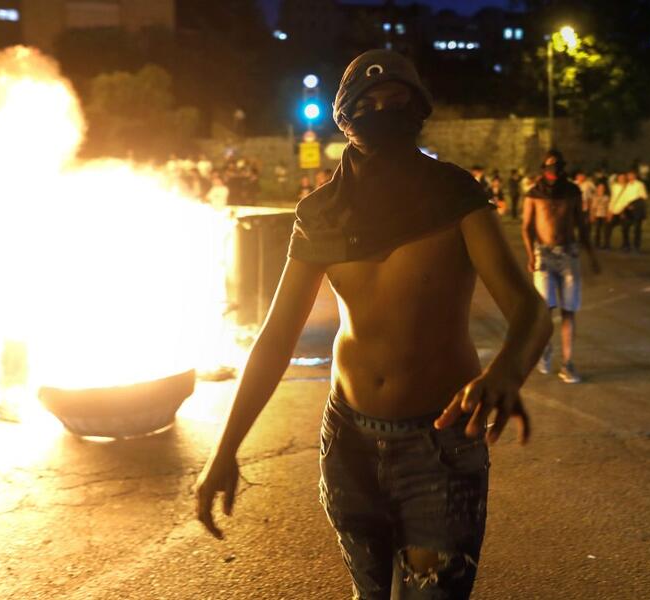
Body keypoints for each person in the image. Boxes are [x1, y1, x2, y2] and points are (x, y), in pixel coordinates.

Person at [194, 49, 552, 599]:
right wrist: (225, 451)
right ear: (344, 119)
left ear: (420, 110)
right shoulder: (320, 213)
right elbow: (274, 339)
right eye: (369, 104)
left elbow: (529, 311)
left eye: (398, 101)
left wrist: (506, 372)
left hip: (438, 445)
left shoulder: (455, 196)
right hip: (348, 443)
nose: (384, 112)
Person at [522, 149, 600, 384]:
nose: (553, 172)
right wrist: (530, 255)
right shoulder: (534, 194)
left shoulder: (572, 192)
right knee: (545, 309)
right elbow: (526, 227)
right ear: (543, 169)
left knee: (569, 309)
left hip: (568, 254)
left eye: (557, 168)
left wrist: (591, 255)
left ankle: (567, 362)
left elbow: (582, 225)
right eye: (548, 168)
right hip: (543, 255)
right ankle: (545, 348)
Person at [590, 181, 610, 249]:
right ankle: (597, 244)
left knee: (605, 230)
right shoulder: (594, 196)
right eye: (600, 188)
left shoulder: (606, 197)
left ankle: (606, 244)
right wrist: (592, 215)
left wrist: (608, 215)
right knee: (597, 230)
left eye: (603, 188)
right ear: (597, 188)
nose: (601, 189)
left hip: (604, 215)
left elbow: (608, 206)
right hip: (597, 215)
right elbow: (593, 207)